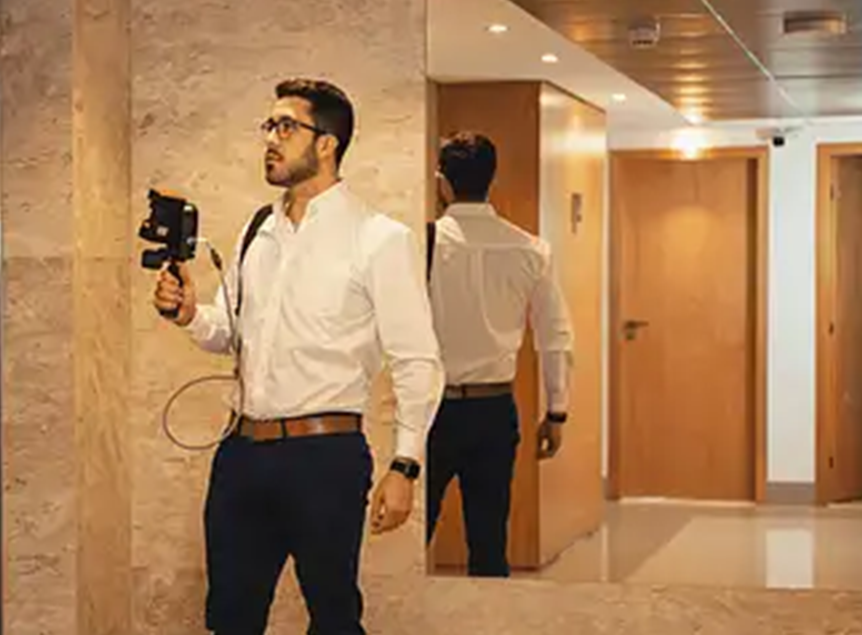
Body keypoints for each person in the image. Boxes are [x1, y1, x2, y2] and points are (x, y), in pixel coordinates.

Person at [153, 78, 443, 635]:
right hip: (241, 455)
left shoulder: (378, 238)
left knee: (333, 619)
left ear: (327, 143)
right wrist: (190, 314)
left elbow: (417, 360)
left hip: (325, 458)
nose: (272, 138)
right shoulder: (257, 229)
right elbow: (228, 332)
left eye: (286, 126)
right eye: (269, 125)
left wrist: (405, 465)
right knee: (230, 619)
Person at [424, 132, 574, 578]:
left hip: (430, 410)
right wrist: (558, 412)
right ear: (492, 180)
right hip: (493, 410)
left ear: (441, 183)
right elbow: (555, 335)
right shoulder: (529, 248)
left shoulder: (423, 245)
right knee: (489, 544)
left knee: (411, 537)